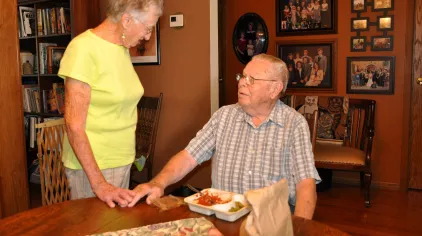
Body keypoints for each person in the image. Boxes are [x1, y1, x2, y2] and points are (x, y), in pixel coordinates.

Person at [129, 54, 321, 220]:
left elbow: (305, 184)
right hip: (222, 217)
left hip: (270, 221)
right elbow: (189, 156)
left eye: (252, 79)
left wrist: (299, 229)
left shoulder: (294, 124)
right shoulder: (224, 116)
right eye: (242, 76)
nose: (242, 82)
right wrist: (158, 183)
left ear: (274, 89)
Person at [57, 0, 163, 208]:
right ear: (126, 20)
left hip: (121, 160)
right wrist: (100, 184)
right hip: (95, 168)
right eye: (148, 28)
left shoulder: (120, 49)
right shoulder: (83, 49)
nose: (148, 36)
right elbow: (74, 126)